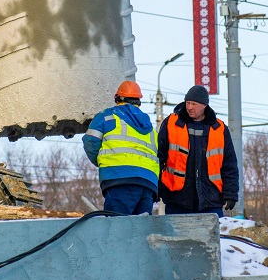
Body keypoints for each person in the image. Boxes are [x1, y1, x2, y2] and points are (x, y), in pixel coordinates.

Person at [158, 85, 239, 217]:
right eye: (188, 103)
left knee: (211, 238)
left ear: (204, 105)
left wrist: (231, 194)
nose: (189, 107)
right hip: (177, 200)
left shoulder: (220, 129)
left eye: (194, 104)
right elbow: (159, 157)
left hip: (210, 202)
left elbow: (229, 165)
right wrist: (157, 188)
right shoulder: (171, 124)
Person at [82, 81, 159, 215]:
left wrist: (103, 162)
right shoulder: (150, 129)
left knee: (117, 229)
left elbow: (90, 142)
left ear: (117, 98)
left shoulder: (107, 117)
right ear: (138, 101)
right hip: (148, 185)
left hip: (120, 180)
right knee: (141, 233)